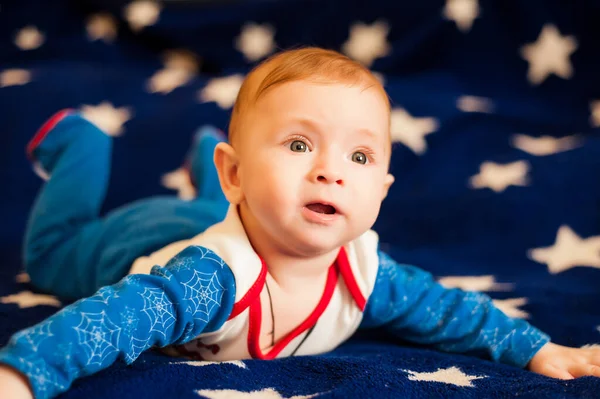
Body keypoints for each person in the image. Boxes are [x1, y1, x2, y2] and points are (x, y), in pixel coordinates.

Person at [1, 47, 599, 399]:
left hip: (225, 209)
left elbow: (452, 311)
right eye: (296, 144)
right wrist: (24, 374)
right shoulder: (210, 282)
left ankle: (216, 171)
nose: (330, 172)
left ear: (383, 191)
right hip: (131, 238)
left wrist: (536, 349)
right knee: (51, 256)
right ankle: (83, 146)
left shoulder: (365, 272)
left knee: (235, 209)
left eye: (359, 157)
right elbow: (106, 323)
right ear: (238, 173)